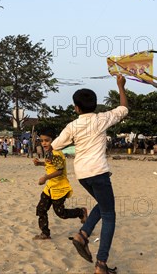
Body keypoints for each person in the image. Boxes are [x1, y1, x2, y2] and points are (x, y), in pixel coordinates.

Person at [51, 75, 128, 274]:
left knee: (103, 206)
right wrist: (120, 86)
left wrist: (76, 139)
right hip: (99, 172)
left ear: (76, 108)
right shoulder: (101, 119)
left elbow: (56, 145)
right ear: (95, 105)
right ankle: (101, 263)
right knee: (109, 214)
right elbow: (123, 109)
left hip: (82, 174)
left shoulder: (72, 126)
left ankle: (83, 235)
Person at [32, 129, 87, 240]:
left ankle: (81, 212)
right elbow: (50, 164)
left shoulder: (56, 153)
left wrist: (45, 178)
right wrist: (39, 164)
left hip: (59, 188)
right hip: (49, 188)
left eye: (47, 140)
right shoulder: (49, 153)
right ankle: (45, 233)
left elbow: (60, 171)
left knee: (61, 213)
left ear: (54, 140)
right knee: (41, 209)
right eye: (42, 141)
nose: (44, 143)